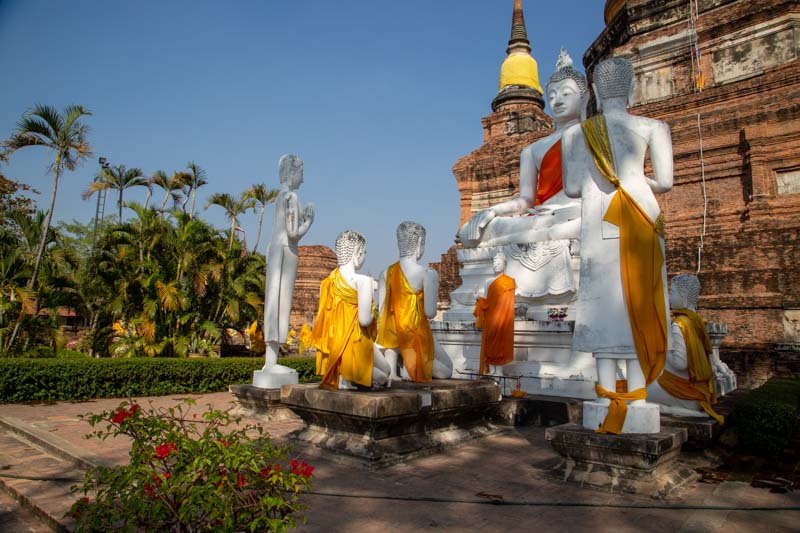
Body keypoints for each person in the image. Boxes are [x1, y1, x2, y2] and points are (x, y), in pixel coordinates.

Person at [562, 57, 673, 434]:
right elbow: (666, 180)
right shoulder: (653, 127)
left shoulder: (576, 134)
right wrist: (635, 182)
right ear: (631, 89)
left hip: (598, 214)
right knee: (638, 301)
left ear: (592, 92)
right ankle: (638, 395)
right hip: (640, 216)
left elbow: (573, 188)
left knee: (602, 303)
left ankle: (606, 392)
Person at [459, 49, 587, 248]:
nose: (558, 101)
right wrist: (493, 211)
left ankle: (520, 241)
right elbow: (526, 199)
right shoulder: (533, 150)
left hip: (579, 213)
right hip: (541, 218)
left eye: (566, 93)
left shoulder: (595, 135)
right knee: (468, 232)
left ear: (585, 98)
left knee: (586, 224)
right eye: (552, 96)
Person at [258, 154, 315, 385]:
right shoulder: (291, 196)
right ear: (291, 173)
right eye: (301, 172)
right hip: (285, 250)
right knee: (279, 302)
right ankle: (270, 362)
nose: (303, 178)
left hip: (278, 250)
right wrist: (309, 219)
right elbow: (293, 233)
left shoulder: (281, 197)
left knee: (276, 301)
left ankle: (270, 361)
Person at [310, 230, 391, 390]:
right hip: (357, 341)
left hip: (334, 343)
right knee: (384, 375)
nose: (364, 255)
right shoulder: (363, 281)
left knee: (386, 370)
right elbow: (365, 320)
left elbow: (323, 319)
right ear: (357, 252)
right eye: (364, 252)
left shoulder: (327, 282)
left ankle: (341, 374)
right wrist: (374, 312)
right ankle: (350, 377)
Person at [377, 221, 453, 382]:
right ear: (419, 243)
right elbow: (430, 312)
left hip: (392, 337)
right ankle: (411, 367)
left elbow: (382, 311)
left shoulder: (386, 273)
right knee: (447, 370)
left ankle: (394, 364)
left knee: (393, 348)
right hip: (414, 334)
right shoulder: (427, 273)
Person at [647, 274, 724, 423]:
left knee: (634, 393)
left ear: (682, 295)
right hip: (700, 392)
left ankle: (673, 409)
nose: (669, 297)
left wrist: (662, 349)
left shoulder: (680, 324)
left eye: (672, 292)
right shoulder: (696, 320)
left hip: (684, 393)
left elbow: (680, 364)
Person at [474, 253, 516, 375]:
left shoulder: (509, 282)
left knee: (501, 344)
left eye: (498, 263)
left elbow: (508, 303)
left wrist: (504, 317)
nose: (495, 265)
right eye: (494, 263)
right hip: (491, 318)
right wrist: (478, 299)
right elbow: (487, 301)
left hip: (503, 318)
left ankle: (499, 371)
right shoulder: (489, 282)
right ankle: (491, 370)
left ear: (505, 265)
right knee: (490, 343)